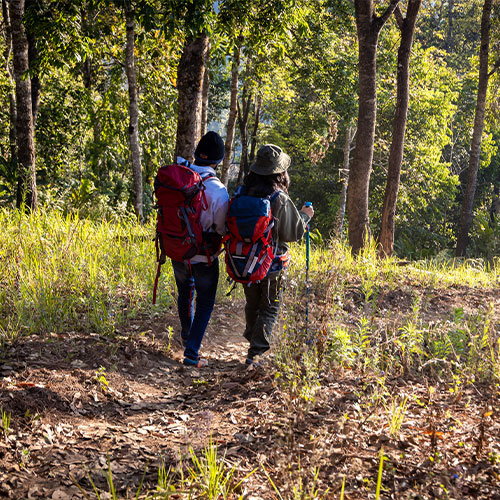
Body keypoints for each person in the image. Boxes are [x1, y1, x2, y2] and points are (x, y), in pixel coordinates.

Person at [241, 144, 314, 367]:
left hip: (244, 261)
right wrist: (305, 215)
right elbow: (293, 231)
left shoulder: (242, 191)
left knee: (252, 304)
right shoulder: (278, 198)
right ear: (280, 172)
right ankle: (256, 354)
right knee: (270, 307)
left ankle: (253, 339)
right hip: (272, 264)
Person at [173, 131, 229, 368]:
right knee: (205, 301)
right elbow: (222, 227)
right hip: (204, 255)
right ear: (218, 161)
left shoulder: (179, 180)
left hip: (177, 250)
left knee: (185, 292)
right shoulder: (218, 190)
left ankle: (187, 336)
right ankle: (192, 352)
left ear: (196, 154)